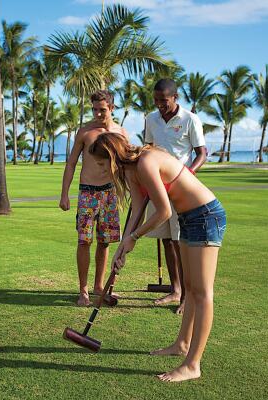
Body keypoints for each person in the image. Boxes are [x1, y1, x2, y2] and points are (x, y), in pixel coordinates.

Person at [89, 132, 226, 382]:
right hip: (188, 217)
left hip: (206, 216)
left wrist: (135, 237)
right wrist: (124, 243)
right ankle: (182, 344)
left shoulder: (146, 162)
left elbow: (162, 211)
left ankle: (193, 365)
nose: (100, 170)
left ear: (111, 156)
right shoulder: (132, 170)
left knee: (203, 292)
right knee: (190, 287)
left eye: (100, 163)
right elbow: (138, 208)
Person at [59, 90, 129, 306]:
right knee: (84, 241)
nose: (98, 114)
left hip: (109, 193)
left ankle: (99, 286)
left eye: (103, 110)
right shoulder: (85, 132)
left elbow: (127, 164)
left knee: (105, 242)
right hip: (88, 192)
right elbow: (71, 163)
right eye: (95, 109)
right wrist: (64, 194)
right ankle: (83, 291)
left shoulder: (121, 132)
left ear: (112, 108)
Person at [144, 78, 207, 314]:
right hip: (158, 187)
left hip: (181, 188)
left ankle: (187, 297)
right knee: (167, 240)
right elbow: (148, 149)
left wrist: (187, 174)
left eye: (164, 100)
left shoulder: (191, 119)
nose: (160, 104)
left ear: (175, 97)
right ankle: (176, 290)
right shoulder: (151, 119)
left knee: (182, 243)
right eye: (156, 100)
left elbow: (201, 153)